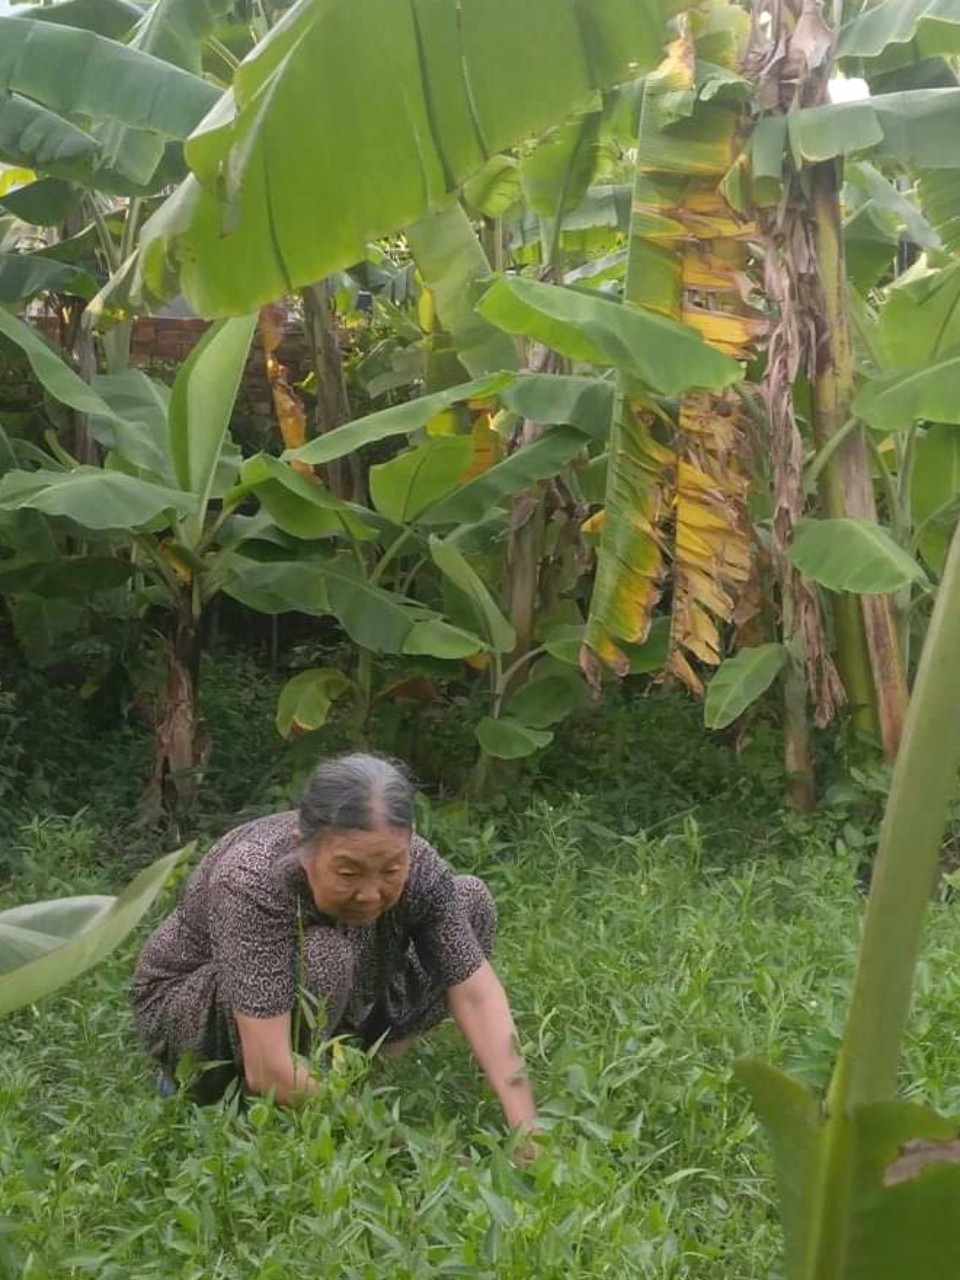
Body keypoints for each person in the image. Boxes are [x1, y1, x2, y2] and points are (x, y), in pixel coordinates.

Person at [130, 753, 538, 1143]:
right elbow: (267, 1068)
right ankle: (236, 1101)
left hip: (338, 974)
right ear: (302, 847)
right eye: (348, 872)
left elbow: (477, 995)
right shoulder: (252, 879)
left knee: (470, 902)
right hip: (193, 1008)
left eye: (391, 870)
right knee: (323, 957)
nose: (370, 893)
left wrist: (528, 1129)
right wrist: (403, 1147)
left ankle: (354, 1077)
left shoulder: (419, 865)